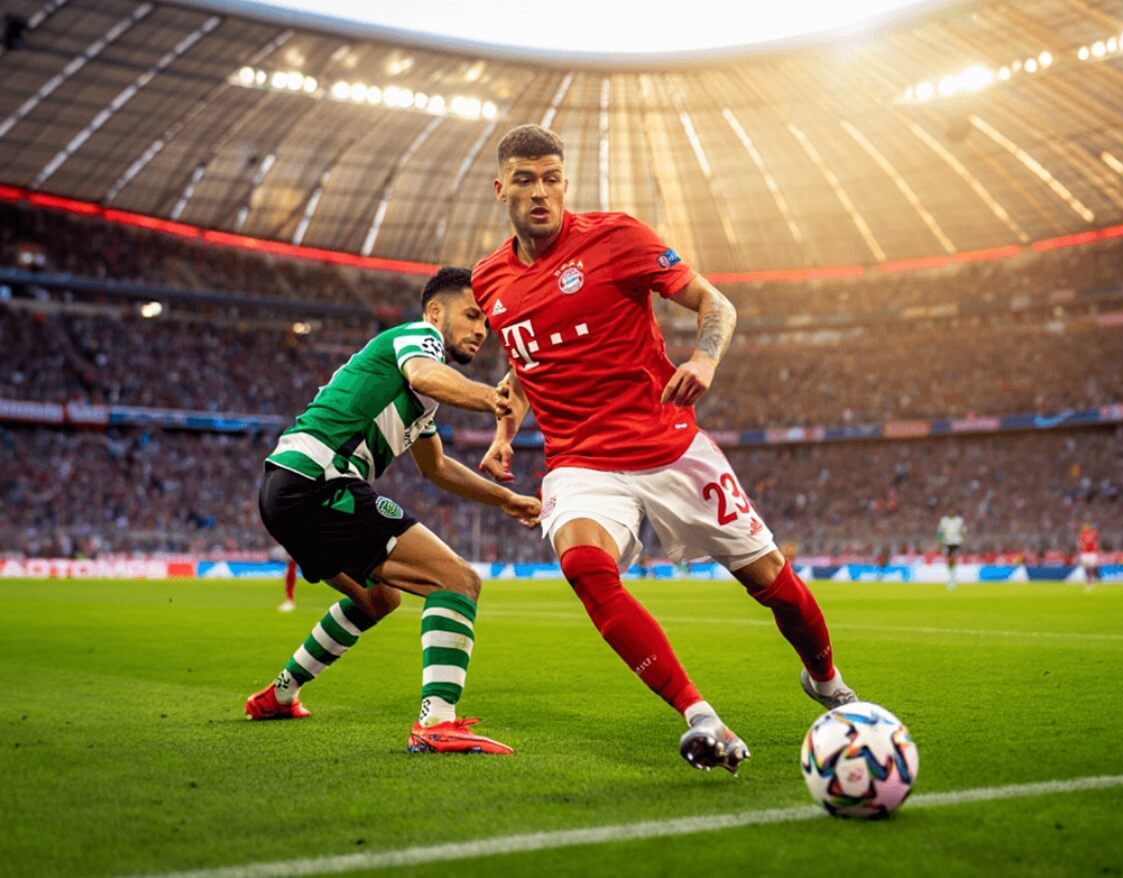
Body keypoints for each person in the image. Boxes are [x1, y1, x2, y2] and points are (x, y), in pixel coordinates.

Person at [472, 125, 856, 774]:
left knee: (773, 586)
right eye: (526, 179)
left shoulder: (616, 237)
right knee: (585, 568)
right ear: (500, 187)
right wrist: (504, 432)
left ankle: (823, 678)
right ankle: (699, 716)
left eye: (552, 178)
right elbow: (525, 364)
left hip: (669, 444)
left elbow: (717, 304)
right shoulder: (490, 280)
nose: (541, 192)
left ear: (566, 183)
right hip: (579, 462)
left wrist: (704, 360)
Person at [246, 267, 541, 753]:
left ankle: (281, 694)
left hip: (286, 490)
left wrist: (506, 498)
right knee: (458, 581)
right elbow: (425, 373)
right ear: (434, 312)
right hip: (319, 480)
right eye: (471, 316)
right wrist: (495, 398)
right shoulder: (418, 339)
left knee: (380, 600)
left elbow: (438, 468)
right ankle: (436, 722)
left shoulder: (422, 399)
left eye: (486, 324)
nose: (480, 331)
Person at [936, 511, 965, 590]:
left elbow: (963, 530)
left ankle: (953, 578)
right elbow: (940, 532)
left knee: (953, 558)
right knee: (949, 560)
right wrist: (940, 541)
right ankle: (951, 577)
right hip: (947, 542)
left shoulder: (959, 520)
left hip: (955, 542)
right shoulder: (944, 520)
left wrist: (962, 539)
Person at [1077, 523, 1100, 590]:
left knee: (1092, 567)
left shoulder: (1093, 533)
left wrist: (1097, 548)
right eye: (1084, 527)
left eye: (1086, 527)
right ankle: (1089, 580)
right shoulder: (1081, 534)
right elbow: (1080, 543)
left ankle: (1094, 579)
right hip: (1084, 553)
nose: (1084, 528)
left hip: (1092, 552)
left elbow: (1096, 542)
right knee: (1086, 567)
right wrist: (1080, 549)